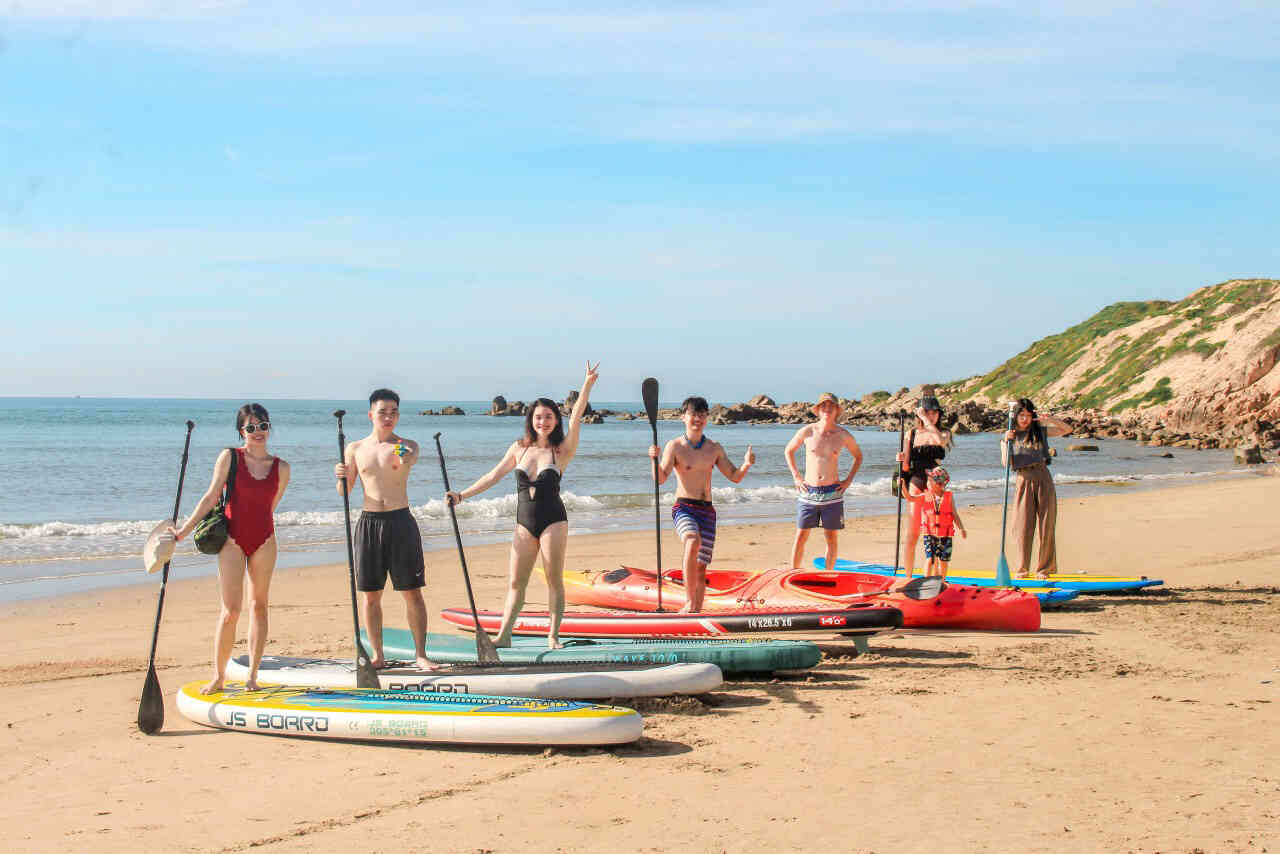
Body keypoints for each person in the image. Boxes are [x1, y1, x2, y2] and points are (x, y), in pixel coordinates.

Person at [446, 363, 599, 648]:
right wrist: (461, 496)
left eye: (549, 416)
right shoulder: (519, 448)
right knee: (516, 582)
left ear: (556, 420)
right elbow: (493, 476)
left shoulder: (561, 450)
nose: (544, 421)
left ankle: (553, 636)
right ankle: (504, 636)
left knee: (554, 580)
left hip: (553, 521)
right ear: (531, 419)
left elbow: (577, 416)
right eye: (539, 417)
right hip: (523, 523)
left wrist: (587, 384)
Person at [169, 403, 291, 693]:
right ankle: (219, 676)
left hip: (265, 540)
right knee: (231, 611)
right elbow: (211, 496)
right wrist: (184, 531)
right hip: (232, 541)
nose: (258, 432)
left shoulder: (282, 468)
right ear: (241, 431)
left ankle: (253, 677)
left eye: (263, 426)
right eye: (251, 427)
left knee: (259, 606)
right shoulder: (229, 457)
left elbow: (270, 506)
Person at [334, 389, 434, 669]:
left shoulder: (407, 445)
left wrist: (403, 454)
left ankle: (421, 654)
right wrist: (340, 476)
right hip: (369, 523)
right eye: (383, 412)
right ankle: (377, 655)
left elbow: (407, 458)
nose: (388, 417)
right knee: (370, 595)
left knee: (412, 591)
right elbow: (344, 491)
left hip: (401, 522)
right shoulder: (355, 449)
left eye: (394, 412)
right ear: (371, 415)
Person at [648, 396, 756, 612]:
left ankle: (695, 613)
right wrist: (653, 459)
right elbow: (660, 478)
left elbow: (734, 476)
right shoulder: (675, 446)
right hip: (684, 507)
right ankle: (688, 601)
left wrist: (746, 464)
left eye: (702, 414)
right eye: (693, 414)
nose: (697, 418)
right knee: (691, 540)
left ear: (707, 418)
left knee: (700, 567)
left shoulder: (714, 448)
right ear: (683, 417)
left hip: (707, 511)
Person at [784, 392, 863, 569]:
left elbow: (858, 456)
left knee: (831, 538)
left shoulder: (843, 435)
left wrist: (848, 480)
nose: (827, 409)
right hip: (808, 492)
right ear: (818, 410)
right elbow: (788, 451)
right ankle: (794, 572)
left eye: (831, 406)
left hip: (832, 493)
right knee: (801, 536)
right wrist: (796, 476)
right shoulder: (807, 431)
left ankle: (828, 574)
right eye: (824, 406)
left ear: (836, 410)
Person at [1000, 398, 1071, 579]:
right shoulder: (1009, 436)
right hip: (1023, 480)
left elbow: (1067, 429)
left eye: (1028, 415)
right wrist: (1006, 442)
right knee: (1022, 527)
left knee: (1046, 525)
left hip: (1043, 477)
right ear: (1015, 416)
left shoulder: (1040, 432)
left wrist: (1050, 419)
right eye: (1021, 415)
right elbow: (1006, 463)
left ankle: (1044, 569)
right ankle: (1022, 569)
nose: (1025, 419)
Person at [894, 394, 952, 583]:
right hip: (916, 482)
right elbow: (905, 467)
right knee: (913, 532)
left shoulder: (943, 432)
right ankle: (908, 577)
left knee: (935, 532)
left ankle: (935, 577)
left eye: (935, 412)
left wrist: (926, 420)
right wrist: (900, 460)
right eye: (928, 412)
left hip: (935, 485)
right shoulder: (911, 434)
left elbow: (939, 441)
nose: (932, 415)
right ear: (920, 413)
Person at [907, 466, 966, 579]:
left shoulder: (948, 496)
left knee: (944, 561)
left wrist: (961, 528)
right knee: (930, 559)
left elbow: (954, 514)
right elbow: (910, 498)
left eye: (930, 481)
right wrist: (902, 487)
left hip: (946, 535)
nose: (927, 483)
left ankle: (942, 581)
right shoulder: (926, 496)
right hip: (930, 534)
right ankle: (926, 581)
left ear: (939, 484)